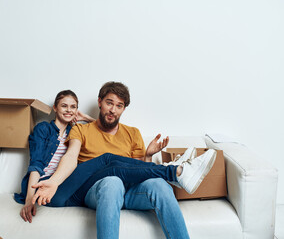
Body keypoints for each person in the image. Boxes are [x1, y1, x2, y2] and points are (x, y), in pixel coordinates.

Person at [30, 82, 217, 239]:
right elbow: (70, 156)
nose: (113, 109)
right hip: (97, 190)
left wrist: (148, 156)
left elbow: (137, 170)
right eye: (109, 103)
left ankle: (176, 173)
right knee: (112, 181)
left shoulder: (133, 133)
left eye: (119, 106)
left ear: (124, 109)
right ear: (100, 102)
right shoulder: (81, 130)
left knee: (160, 185)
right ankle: (176, 171)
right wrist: (54, 182)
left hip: (130, 192)